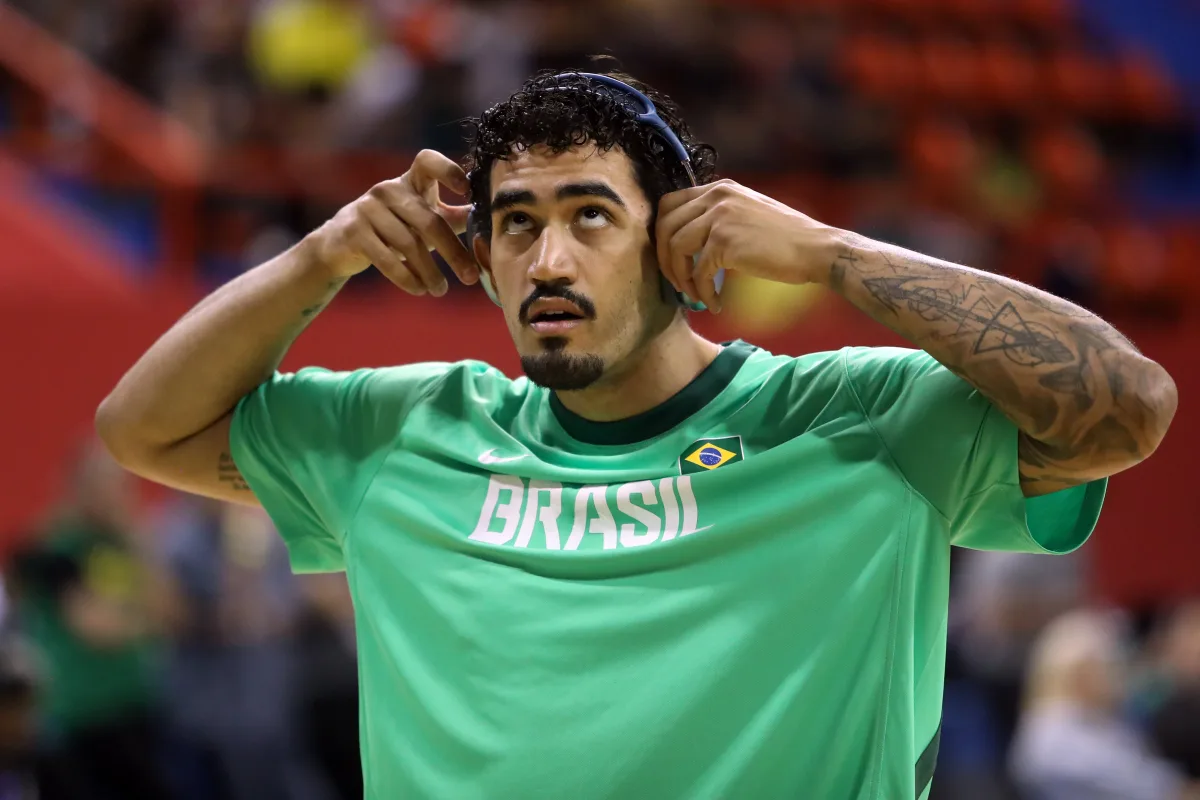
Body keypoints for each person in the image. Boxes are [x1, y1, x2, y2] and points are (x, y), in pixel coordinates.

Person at [94, 71, 1178, 799]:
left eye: (590, 215)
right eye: (516, 224)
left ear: (680, 241)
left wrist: (834, 255)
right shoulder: (408, 430)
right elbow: (143, 428)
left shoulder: (860, 418)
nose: (547, 262)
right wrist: (321, 253)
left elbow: (1128, 404)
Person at [8, 441, 171, 799]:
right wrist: (144, 622)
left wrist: (136, 537)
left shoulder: (124, 542)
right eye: (102, 483)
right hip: (77, 714)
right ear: (77, 487)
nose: (113, 494)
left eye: (119, 484)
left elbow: (166, 609)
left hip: (131, 702)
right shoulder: (56, 549)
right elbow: (97, 628)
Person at [1008, 609, 1200, 800]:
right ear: (1081, 673)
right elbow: (1153, 787)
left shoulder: (1102, 721)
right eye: (1109, 666)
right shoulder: (1052, 734)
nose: (1117, 675)